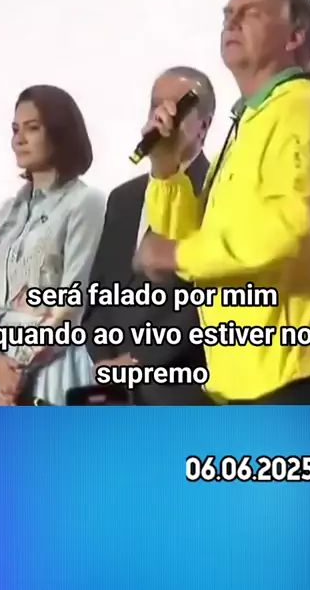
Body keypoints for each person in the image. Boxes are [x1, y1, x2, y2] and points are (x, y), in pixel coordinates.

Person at [134, 0, 310, 405]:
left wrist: (177, 253)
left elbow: (288, 231)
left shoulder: (302, 110)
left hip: (292, 378)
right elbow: (186, 244)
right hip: (244, 378)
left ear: (295, 36)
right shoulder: (252, 120)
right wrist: (165, 169)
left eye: (251, 13)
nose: (232, 22)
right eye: (228, 14)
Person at [84, 67, 215, 404]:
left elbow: (211, 298)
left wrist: (141, 361)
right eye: (157, 105)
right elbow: (99, 293)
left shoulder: (219, 192)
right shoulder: (123, 198)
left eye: (176, 108)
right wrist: (105, 360)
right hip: (114, 393)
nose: (163, 116)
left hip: (182, 389)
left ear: (204, 125)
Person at [0, 84, 105, 405]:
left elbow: (72, 301)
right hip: (2, 374)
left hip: (53, 368)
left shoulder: (85, 203)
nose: (19, 139)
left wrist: (17, 367)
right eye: (15, 129)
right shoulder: (7, 213)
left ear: (59, 133)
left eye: (32, 128)